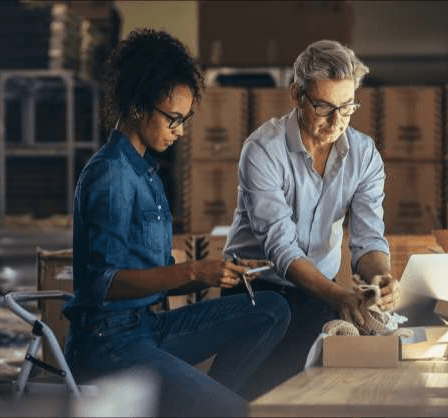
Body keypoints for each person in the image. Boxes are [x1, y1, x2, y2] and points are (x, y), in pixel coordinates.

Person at [61, 28, 290, 417]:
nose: (180, 131)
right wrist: (193, 269)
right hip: (109, 344)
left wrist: (208, 276)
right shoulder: (112, 174)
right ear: (137, 107)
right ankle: (214, 406)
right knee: (237, 411)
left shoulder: (146, 170)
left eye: (186, 119)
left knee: (272, 308)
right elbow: (103, 283)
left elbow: (150, 271)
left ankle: (204, 404)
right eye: (173, 118)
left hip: (147, 327)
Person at [222, 39, 399, 400]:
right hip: (255, 291)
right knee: (244, 397)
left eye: (347, 108)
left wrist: (380, 276)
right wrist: (338, 295)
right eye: (324, 107)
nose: (337, 122)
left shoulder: (363, 155)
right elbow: (280, 247)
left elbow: (368, 240)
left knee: (308, 396)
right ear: (296, 95)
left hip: (321, 290)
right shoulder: (262, 150)